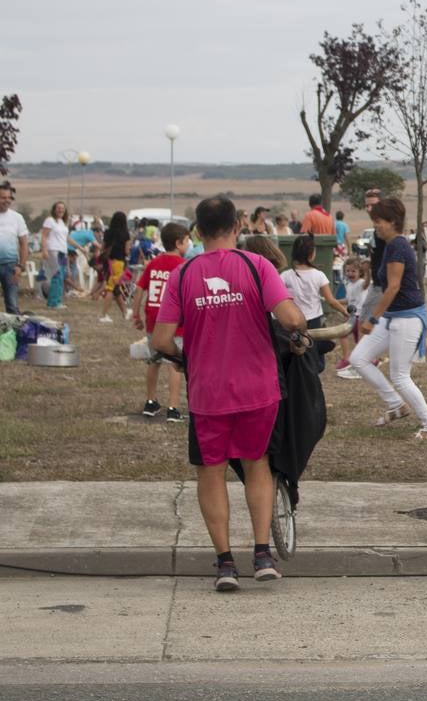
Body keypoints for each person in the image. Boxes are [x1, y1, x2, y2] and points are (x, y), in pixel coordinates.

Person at [151, 195, 308, 592]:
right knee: (257, 465)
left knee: (211, 472)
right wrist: (300, 327)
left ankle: (224, 563)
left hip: (208, 393)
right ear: (237, 226)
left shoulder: (183, 276)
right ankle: (261, 555)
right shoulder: (256, 266)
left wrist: (182, 356)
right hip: (259, 389)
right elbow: (289, 318)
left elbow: (161, 338)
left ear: (198, 232)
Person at [349, 198, 427, 441]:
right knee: (358, 358)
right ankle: (397, 405)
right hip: (392, 318)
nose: (376, 226)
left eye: (378, 221)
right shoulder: (390, 245)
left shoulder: (398, 246)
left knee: (400, 375)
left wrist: (371, 319)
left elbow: (392, 288)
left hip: (407, 318)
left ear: (392, 221)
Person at [132, 222, 191, 422]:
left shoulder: (153, 263)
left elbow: (139, 288)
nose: (189, 243)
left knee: (154, 360)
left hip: (153, 320)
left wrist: (136, 314)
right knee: (174, 363)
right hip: (176, 323)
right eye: (187, 240)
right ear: (178, 243)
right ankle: (173, 407)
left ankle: (150, 401)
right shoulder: (183, 266)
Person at [280, 233, 345, 333]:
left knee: (296, 346)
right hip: (314, 320)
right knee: (312, 345)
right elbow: (331, 301)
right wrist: (344, 311)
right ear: (311, 254)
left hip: (293, 320)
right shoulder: (319, 275)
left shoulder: (285, 275)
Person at [0, 183, 30, 315]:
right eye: (3, 197)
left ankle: (13, 334)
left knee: (12, 305)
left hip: (10, 266)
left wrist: (21, 266)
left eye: (9, 198)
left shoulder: (17, 218)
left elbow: (24, 243)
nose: (6, 200)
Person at [97, 211, 132, 323]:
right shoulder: (125, 234)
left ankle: (125, 312)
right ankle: (103, 315)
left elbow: (102, 247)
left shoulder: (107, 232)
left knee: (116, 289)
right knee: (111, 288)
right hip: (118, 263)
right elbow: (126, 251)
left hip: (108, 262)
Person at [335, 258, 369, 371]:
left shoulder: (362, 283)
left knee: (359, 341)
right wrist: (335, 301)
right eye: (348, 271)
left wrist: (368, 271)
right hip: (352, 316)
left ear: (360, 272)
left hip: (361, 316)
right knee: (343, 334)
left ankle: (368, 361)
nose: (350, 273)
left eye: (353, 271)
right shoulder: (348, 285)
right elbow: (349, 300)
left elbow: (367, 282)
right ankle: (346, 359)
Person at [40, 201, 70, 310]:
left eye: (63, 208)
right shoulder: (49, 220)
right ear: (54, 209)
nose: (61, 210)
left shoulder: (62, 222)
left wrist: (79, 247)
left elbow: (66, 238)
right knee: (56, 276)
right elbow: (44, 236)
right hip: (53, 251)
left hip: (62, 252)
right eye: (58, 208)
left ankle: (58, 301)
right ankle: (53, 302)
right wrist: (44, 250)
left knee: (61, 277)